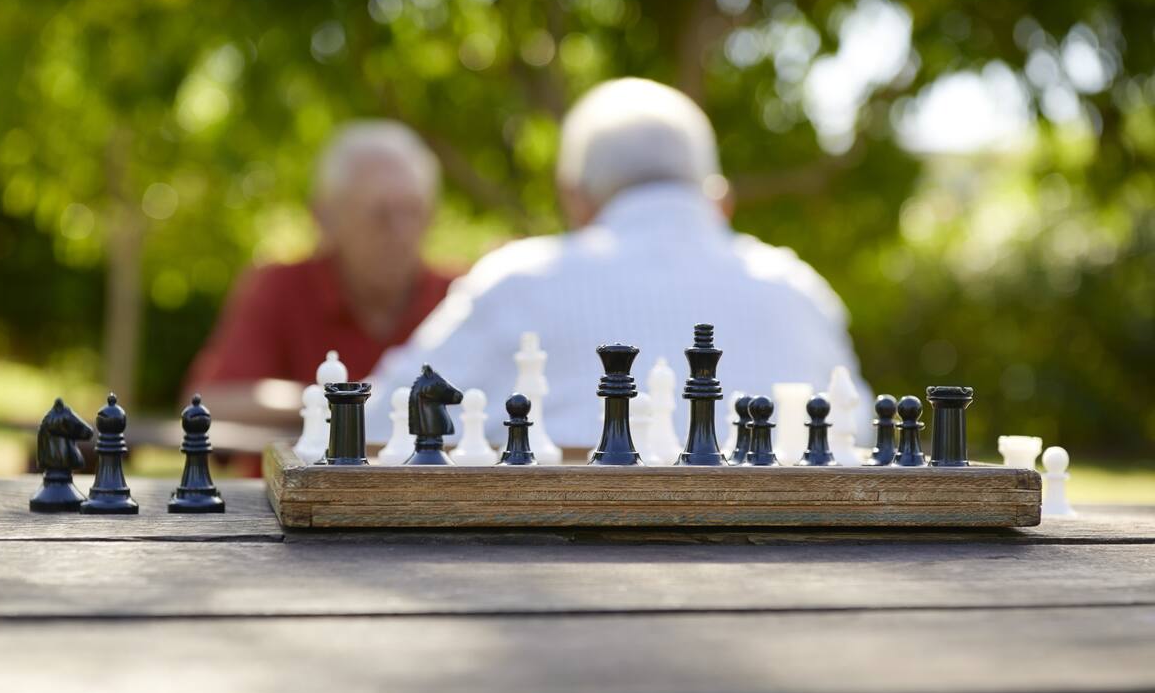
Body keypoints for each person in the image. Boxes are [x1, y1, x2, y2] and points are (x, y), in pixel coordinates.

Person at [367, 78, 869, 447]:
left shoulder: (516, 282)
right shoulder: (800, 290)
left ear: (574, 198)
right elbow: (863, 433)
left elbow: (370, 422)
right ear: (722, 199)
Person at [186, 121, 454, 427]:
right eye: (379, 215)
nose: (401, 233)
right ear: (325, 217)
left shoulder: (459, 296)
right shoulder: (280, 287)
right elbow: (209, 401)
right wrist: (347, 404)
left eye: (413, 212)